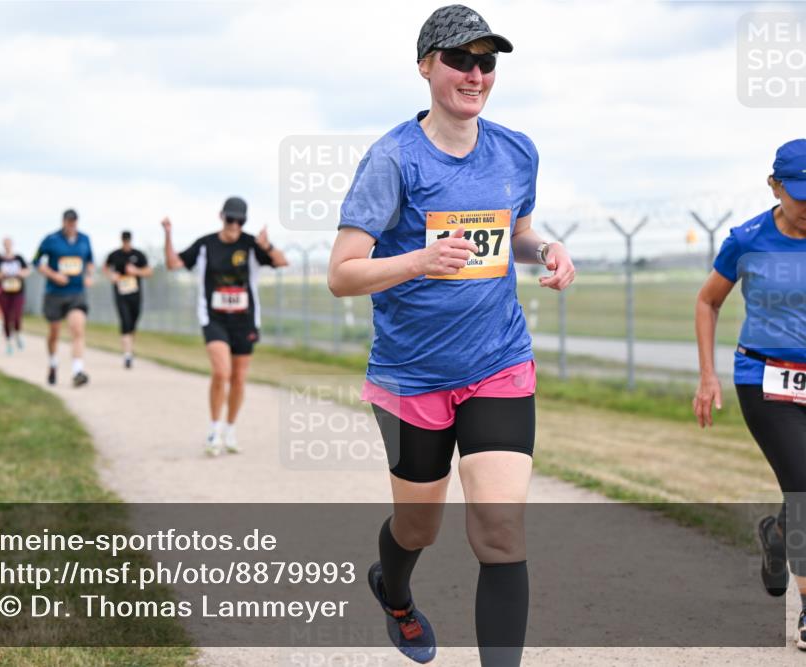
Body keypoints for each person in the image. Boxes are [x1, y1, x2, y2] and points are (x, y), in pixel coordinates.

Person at [327, 6, 575, 664]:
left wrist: (546, 249)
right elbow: (342, 274)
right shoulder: (393, 159)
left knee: (500, 529)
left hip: (498, 362)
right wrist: (419, 260)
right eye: (460, 60)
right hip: (411, 376)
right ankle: (395, 593)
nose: (475, 74)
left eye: (486, 62)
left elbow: (516, 233)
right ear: (425, 66)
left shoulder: (516, 150)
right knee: (419, 526)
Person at [693, 138, 806, 651]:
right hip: (765, 380)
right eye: (800, 194)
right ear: (775, 187)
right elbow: (708, 301)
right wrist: (708, 375)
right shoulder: (748, 239)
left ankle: (778, 536)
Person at [163, 196, 288, 456]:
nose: (234, 225)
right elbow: (173, 264)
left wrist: (267, 245)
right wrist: (168, 234)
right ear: (221, 217)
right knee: (222, 372)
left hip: (245, 320)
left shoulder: (251, 245)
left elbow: (281, 262)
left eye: (240, 221)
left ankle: (230, 430)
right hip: (214, 318)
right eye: (231, 219)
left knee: (239, 378)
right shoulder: (206, 244)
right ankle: (214, 430)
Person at [33, 209, 95, 387]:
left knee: (77, 329)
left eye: (74, 222)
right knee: (55, 332)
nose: (71, 225)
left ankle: (77, 371)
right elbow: (36, 262)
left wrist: (89, 275)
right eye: (69, 222)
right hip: (55, 293)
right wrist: (54, 275)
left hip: (76, 292)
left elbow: (90, 261)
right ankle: (53, 362)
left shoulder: (84, 239)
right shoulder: (50, 239)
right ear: (63, 222)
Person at [103, 231, 153, 368]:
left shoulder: (138, 255)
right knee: (125, 321)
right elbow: (105, 268)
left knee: (133, 323)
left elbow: (149, 271)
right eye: (124, 240)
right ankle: (127, 355)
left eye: (128, 240)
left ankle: (129, 348)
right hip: (121, 294)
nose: (126, 243)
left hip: (135, 295)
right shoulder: (114, 255)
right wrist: (111, 276)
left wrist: (136, 271)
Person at [0, 238, 31, 354]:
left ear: (12, 244)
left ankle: (18, 334)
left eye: (9, 243)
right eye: (5, 244)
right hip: (4, 293)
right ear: (3, 245)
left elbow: (27, 271)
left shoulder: (19, 258)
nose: (7, 246)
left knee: (17, 315)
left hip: (18, 292)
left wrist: (21, 273)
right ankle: (8, 342)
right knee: (6, 317)